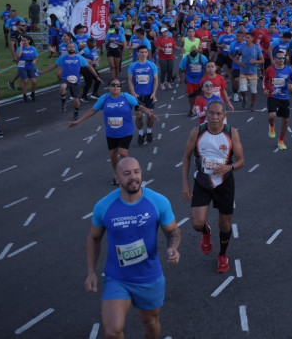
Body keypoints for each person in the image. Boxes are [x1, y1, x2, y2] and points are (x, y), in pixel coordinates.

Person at [85, 157, 180, 339]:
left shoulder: (158, 201)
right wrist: (91, 272)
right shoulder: (104, 206)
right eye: (127, 173)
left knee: (150, 323)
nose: (133, 177)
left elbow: (173, 231)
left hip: (149, 277)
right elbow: (94, 237)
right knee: (112, 332)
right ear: (117, 178)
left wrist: (173, 248)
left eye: (136, 172)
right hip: (118, 278)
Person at [181, 101, 245, 274]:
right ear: (206, 114)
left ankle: (222, 255)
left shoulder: (232, 133)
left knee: (225, 224)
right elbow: (186, 158)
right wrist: (185, 184)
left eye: (218, 114)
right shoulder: (197, 132)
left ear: (224, 116)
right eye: (211, 113)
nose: (215, 117)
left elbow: (241, 160)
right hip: (202, 181)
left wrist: (229, 167)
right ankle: (206, 232)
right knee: (197, 223)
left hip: (224, 183)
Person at [70, 78, 158, 184]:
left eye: (118, 85)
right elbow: (92, 111)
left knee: (123, 153)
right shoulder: (104, 98)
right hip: (111, 133)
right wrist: (78, 121)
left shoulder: (126, 97)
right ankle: (117, 174)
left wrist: (149, 113)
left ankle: (131, 174)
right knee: (113, 155)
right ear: (109, 87)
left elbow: (139, 106)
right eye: (113, 85)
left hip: (126, 131)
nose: (116, 87)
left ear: (120, 87)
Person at [43, 43, 100, 121]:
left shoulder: (79, 58)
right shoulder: (62, 57)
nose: (71, 48)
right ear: (67, 49)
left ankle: (76, 112)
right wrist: (42, 72)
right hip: (65, 78)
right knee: (63, 87)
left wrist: (96, 76)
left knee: (76, 99)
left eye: (73, 47)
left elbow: (89, 67)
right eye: (69, 47)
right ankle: (63, 100)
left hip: (75, 80)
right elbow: (54, 66)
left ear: (75, 49)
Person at [264, 51, 292, 150]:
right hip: (272, 95)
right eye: (279, 57)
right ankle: (271, 125)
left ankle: (281, 140)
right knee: (272, 115)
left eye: (283, 57)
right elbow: (264, 80)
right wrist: (265, 89)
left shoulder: (288, 69)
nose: (281, 59)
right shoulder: (270, 69)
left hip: (284, 97)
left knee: (286, 120)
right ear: (274, 59)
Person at [128, 46, 159, 146]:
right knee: (138, 116)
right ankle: (141, 134)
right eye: (141, 52)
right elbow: (130, 80)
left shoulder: (152, 65)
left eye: (145, 52)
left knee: (150, 116)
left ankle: (149, 131)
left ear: (147, 53)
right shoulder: (133, 66)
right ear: (138, 53)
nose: (143, 54)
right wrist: (133, 92)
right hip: (138, 95)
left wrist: (154, 93)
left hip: (149, 95)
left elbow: (156, 80)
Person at [235, 31, 264, 110]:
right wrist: (240, 63)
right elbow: (236, 58)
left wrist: (256, 61)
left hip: (253, 72)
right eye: (246, 37)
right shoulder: (242, 47)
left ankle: (252, 103)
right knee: (242, 89)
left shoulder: (257, 48)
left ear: (252, 39)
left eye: (248, 38)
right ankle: (244, 98)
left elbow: (262, 60)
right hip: (243, 72)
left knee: (254, 91)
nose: (246, 39)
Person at [15, 35, 39, 103]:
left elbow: (36, 56)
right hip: (22, 65)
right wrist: (21, 47)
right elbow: (18, 55)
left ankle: (33, 94)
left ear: (29, 41)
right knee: (25, 81)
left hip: (31, 65)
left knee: (34, 82)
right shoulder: (19, 48)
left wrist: (35, 60)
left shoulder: (32, 48)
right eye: (22, 41)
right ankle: (25, 95)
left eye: (25, 40)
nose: (24, 42)